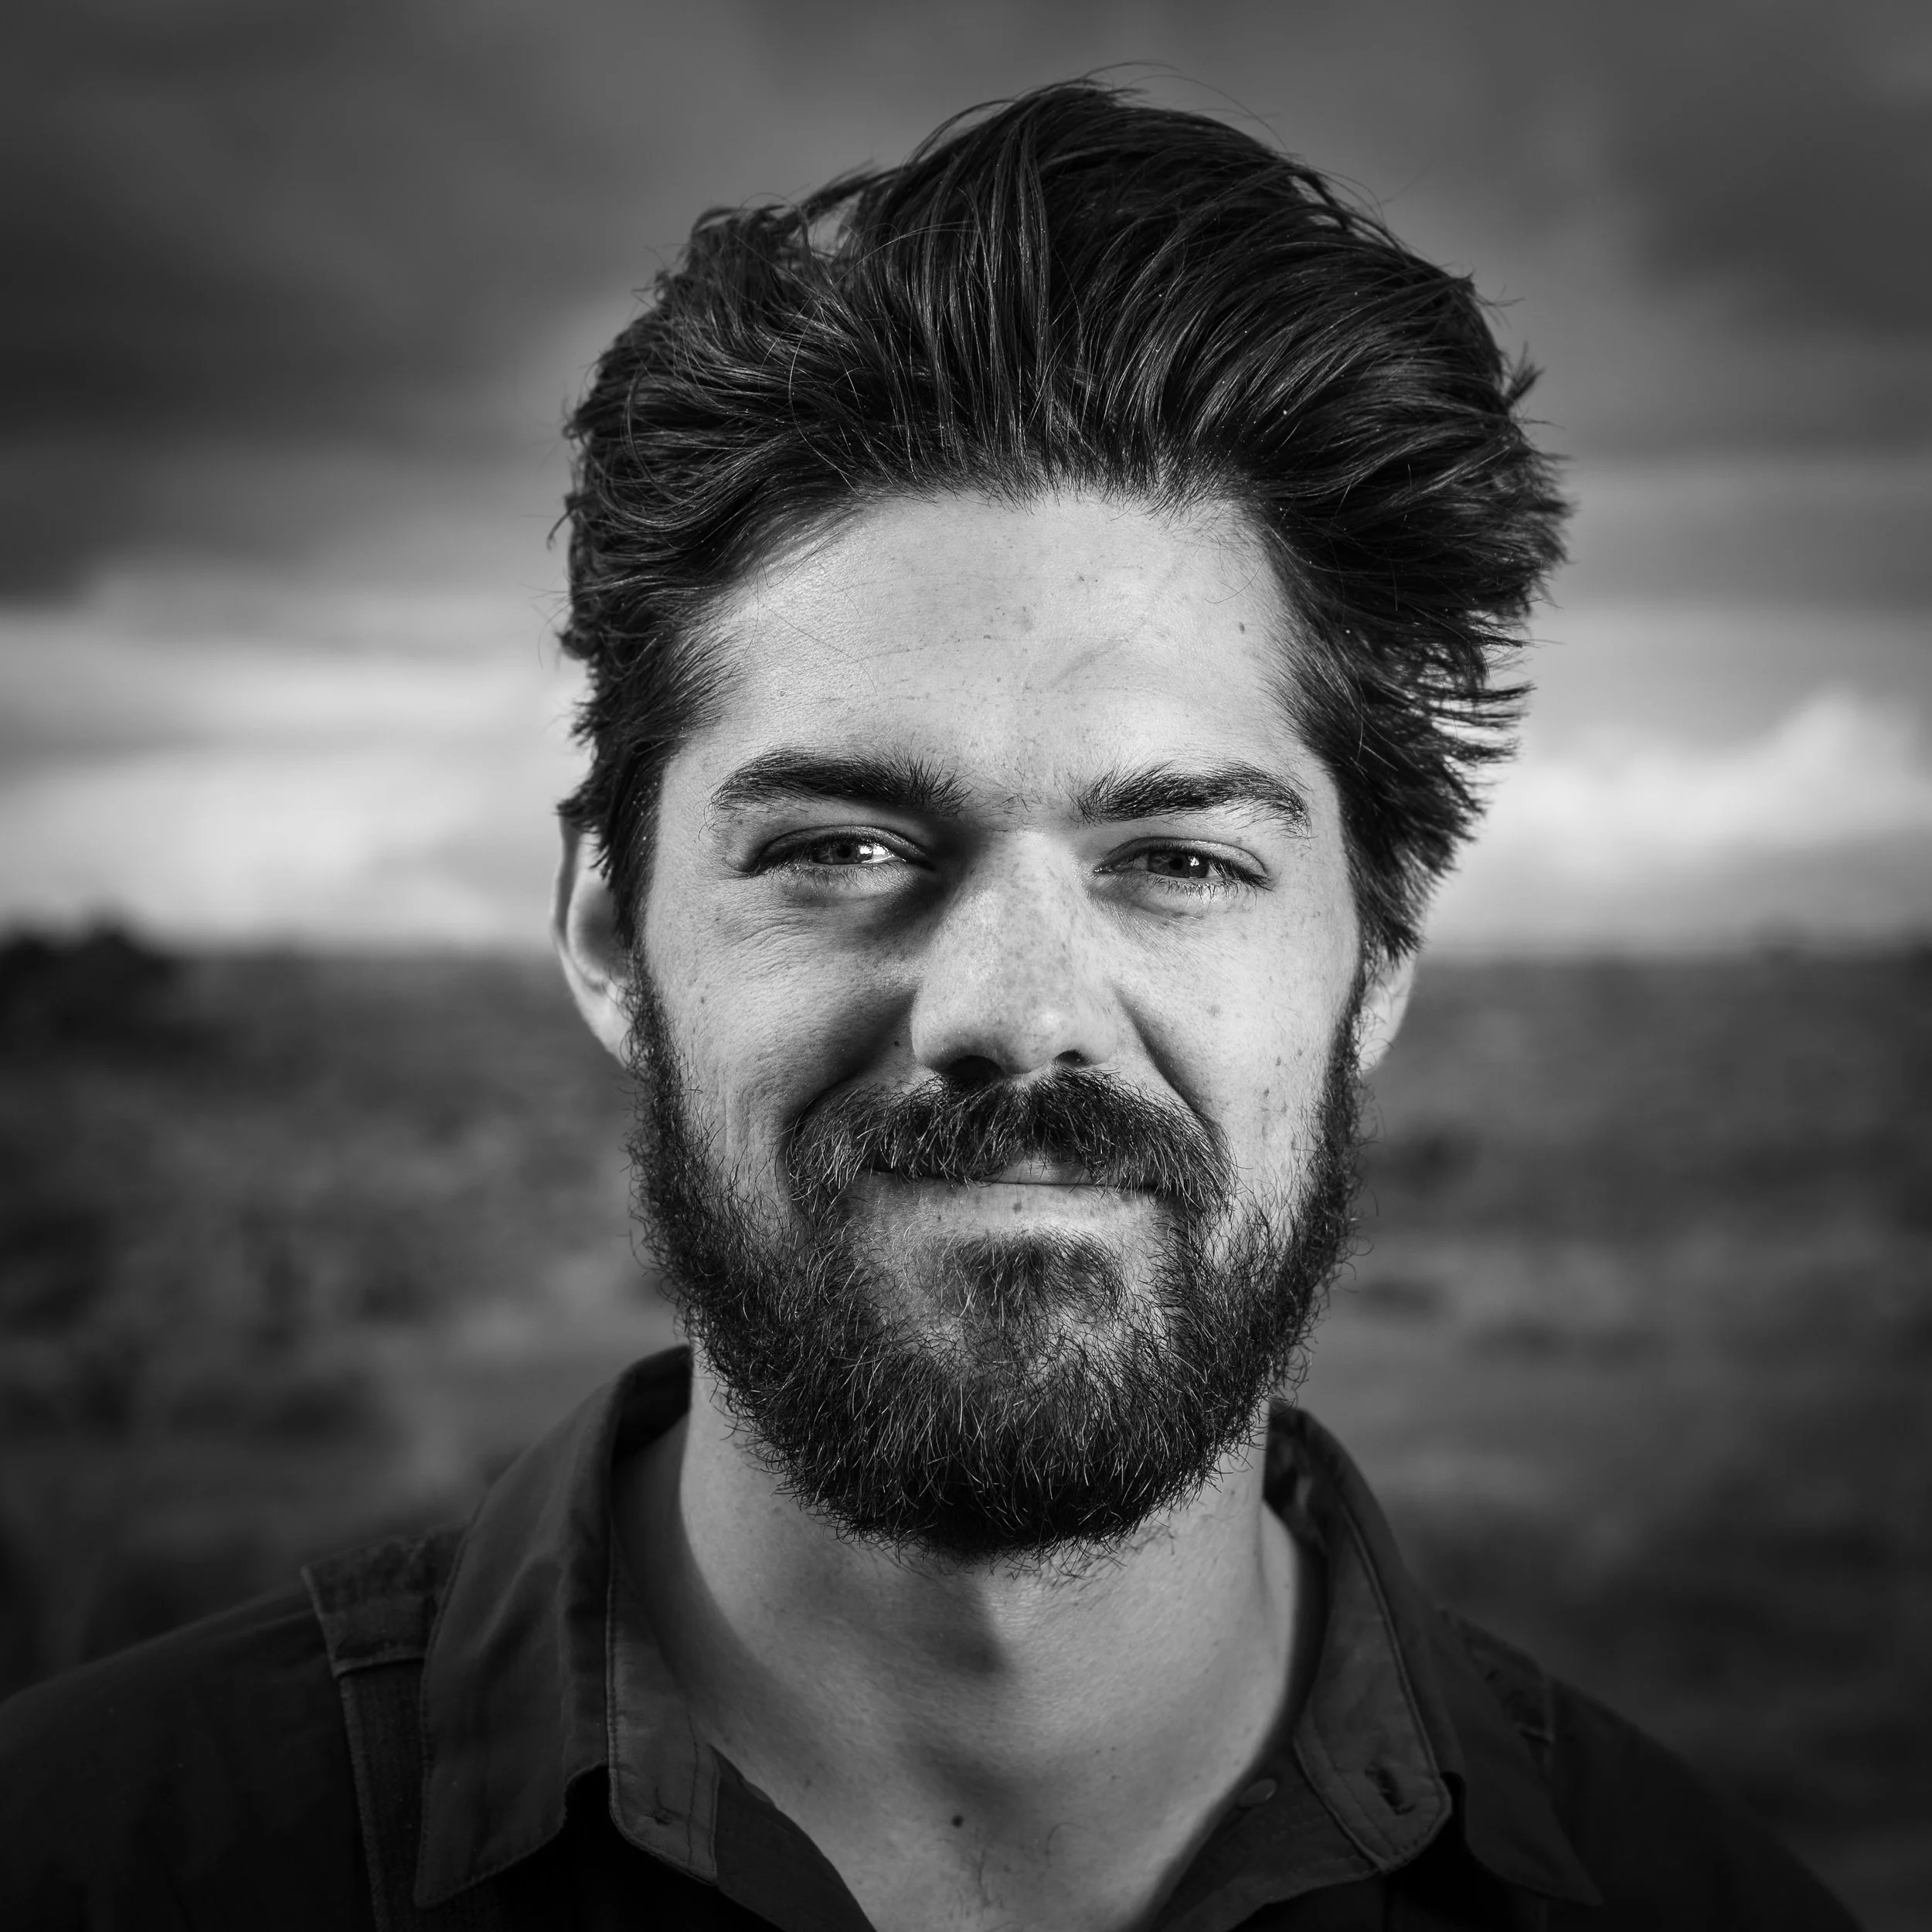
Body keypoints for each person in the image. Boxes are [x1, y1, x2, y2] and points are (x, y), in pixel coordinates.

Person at [0, 80, 1855, 1932]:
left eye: (1180, 859)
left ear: (1371, 960)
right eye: (840, 845)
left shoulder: (1694, 1896)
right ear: (602, 929)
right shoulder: (87, 1859)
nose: (1015, 1009)